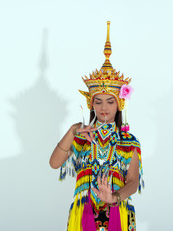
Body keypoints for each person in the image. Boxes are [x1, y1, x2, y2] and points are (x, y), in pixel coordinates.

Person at [49, 21, 143, 231]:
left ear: (119, 104)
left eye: (110, 101)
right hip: (83, 211)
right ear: (90, 103)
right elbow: (54, 163)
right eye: (98, 102)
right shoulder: (81, 136)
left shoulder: (129, 142)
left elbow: (133, 182)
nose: (103, 108)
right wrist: (73, 131)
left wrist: (114, 197)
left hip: (117, 210)